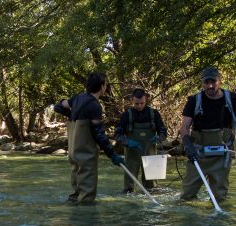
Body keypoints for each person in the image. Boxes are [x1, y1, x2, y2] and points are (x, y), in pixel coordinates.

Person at [178, 66, 236, 203]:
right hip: (198, 155)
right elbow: (184, 127)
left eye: (213, 81)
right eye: (206, 82)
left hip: (222, 156)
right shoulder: (194, 101)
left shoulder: (231, 98)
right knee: (187, 196)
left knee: (219, 198)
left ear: (220, 81)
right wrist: (188, 146)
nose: (210, 86)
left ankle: (217, 223)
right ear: (202, 83)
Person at [53, 72, 125, 204]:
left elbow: (58, 106)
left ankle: (75, 214)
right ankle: (87, 221)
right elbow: (98, 134)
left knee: (76, 192)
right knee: (86, 196)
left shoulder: (77, 98)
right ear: (102, 86)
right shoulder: (94, 106)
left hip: (73, 153)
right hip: (86, 155)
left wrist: (71, 114)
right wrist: (112, 155)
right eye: (106, 85)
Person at [114, 88, 168, 193]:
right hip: (132, 155)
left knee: (152, 189)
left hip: (151, 155)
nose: (139, 106)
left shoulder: (154, 114)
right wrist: (127, 141)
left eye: (142, 103)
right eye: (136, 104)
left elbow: (163, 132)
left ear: (146, 100)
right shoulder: (127, 115)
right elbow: (117, 135)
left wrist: (159, 138)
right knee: (129, 189)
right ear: (131, 101)